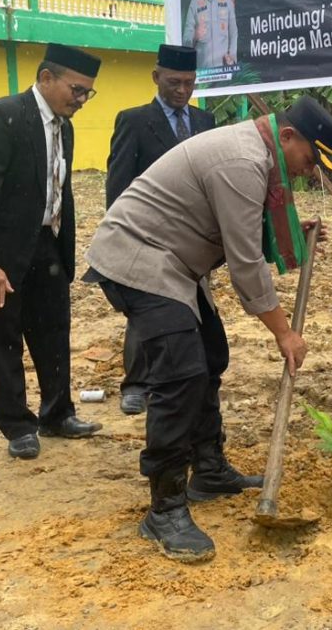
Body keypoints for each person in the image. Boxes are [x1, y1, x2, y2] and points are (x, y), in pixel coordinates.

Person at [84, 96, 332, 563]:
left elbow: (239, 226)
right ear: (287, 137)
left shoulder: (257, 153)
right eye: (308, 160)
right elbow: (245, 267)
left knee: (211, 356)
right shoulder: (242, 161)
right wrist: (284, 332)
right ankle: (164, 507)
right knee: (181, 375)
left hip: (174, 262)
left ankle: (208, 470)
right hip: (138, 258)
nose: (309, 172)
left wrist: (286, 228)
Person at [0, 43, 103, 460]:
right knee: (3, 336)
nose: (81, 100)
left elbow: (58, 189)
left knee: (53, 331)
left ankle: (57, 413)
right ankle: (17, 425)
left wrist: (64, 251)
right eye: (76, 90)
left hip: (44, 242)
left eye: (87, 94)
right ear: (46, 78)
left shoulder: (65, 126)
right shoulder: (1, 117)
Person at [106, 44, 216, 415]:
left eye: (188, 83)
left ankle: (187, 374)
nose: (182, 90)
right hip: (148, 237)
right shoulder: (134, 121)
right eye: (173, 82)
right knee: (147, 314)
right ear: (156, 77)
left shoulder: (205, 123)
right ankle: (136, 383)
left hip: (195, 239)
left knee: (193, 308)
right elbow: (119, 185)